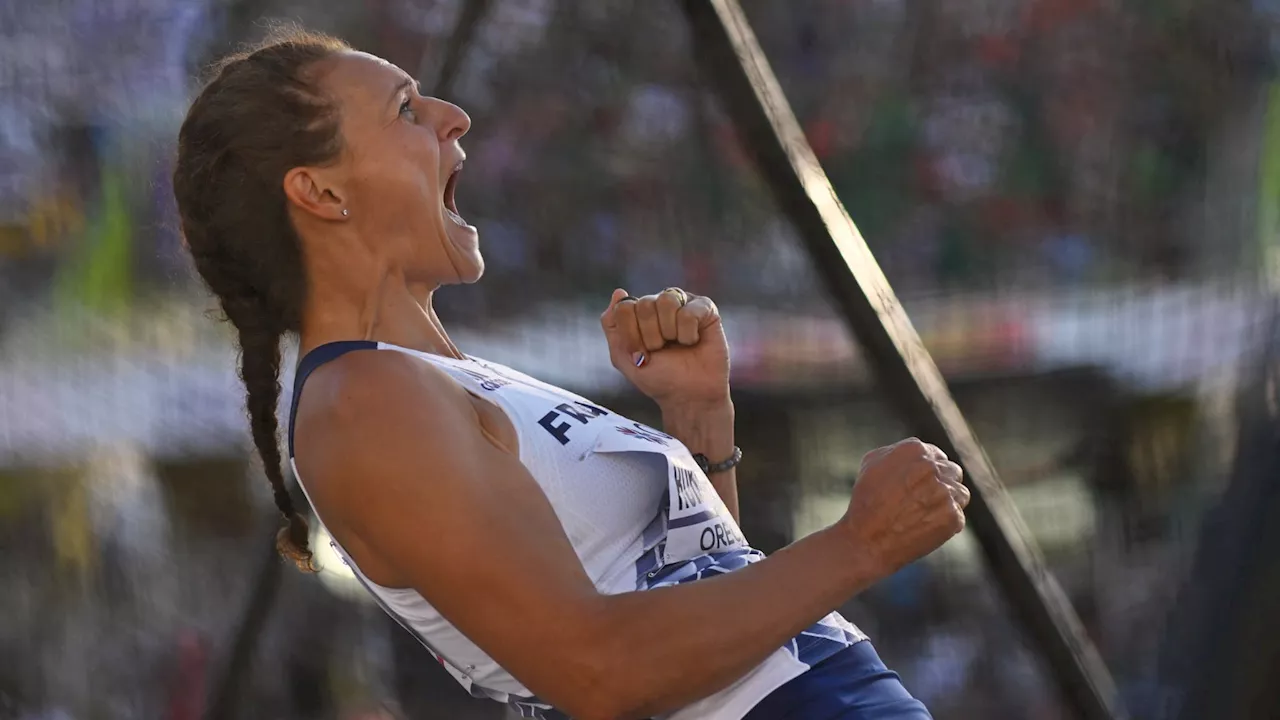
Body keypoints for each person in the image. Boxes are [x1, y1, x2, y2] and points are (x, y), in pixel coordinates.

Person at [172, 27, 970, 720]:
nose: (455, 117)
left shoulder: (426, 381)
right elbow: (600, 675)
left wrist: (698, 426)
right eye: (407, 111)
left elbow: (674, 590)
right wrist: (859, 545)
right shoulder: (362, 403)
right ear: (319, 191)